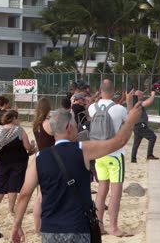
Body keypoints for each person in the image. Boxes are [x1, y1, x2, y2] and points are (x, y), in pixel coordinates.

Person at [11, 104, 142, 243]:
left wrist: (17, 224)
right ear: (68, 127)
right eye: (74, 124)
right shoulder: (83, 149)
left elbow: (24, 194)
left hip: (50, 230)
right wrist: (130, 121)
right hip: (77, 228)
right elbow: (118, 142)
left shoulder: (39, 158)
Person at [88, 79, 133, 237]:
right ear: (113, 91)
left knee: (101, 191)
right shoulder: (119, 109)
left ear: (100, 90)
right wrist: (128, 102)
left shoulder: (92, 107)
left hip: (99, 153)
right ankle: (113, 227)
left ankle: (99, 226)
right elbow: (130, 122)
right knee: (116, 193)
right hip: (115, 154)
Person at [0, 110, 36, 216]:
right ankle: (10, 210)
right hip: (18, 162)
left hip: (1, 162)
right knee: (13, 186)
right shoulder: (19, 130)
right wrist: (33, 144)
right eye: (17, 118)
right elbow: (27, 147)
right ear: (13, 118)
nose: (18, 120)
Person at [31, 97, 55, 233]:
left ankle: (37, 227)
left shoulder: (36, 124)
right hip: (51, 159)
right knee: (43, 196)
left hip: (40, 158)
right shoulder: (48, 124)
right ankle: (42, 226)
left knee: (39, 195)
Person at [131, 90, 159, 163]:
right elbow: (148, 102)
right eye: (142, 95)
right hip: (140, 125)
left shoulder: (133, 102)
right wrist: (152, 95)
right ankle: (149, 155)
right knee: (152, 137)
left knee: (136, 143)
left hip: (136, 125)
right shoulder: (137, 102)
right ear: (138, 96)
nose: (143, 96)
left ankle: (133, 159)